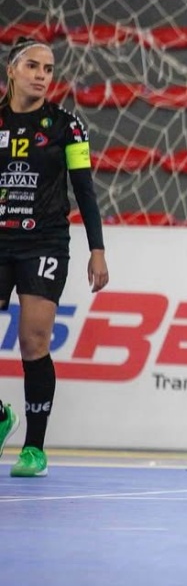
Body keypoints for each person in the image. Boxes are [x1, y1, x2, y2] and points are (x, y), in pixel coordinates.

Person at [0, 37, 110, 477]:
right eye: (32, 66)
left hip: (44, 243)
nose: (42, 75)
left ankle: (34, 447)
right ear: (12, 70)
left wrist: (96, 249)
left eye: (48, 68)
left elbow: (83, 187)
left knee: (33, 341)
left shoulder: (68, 126)